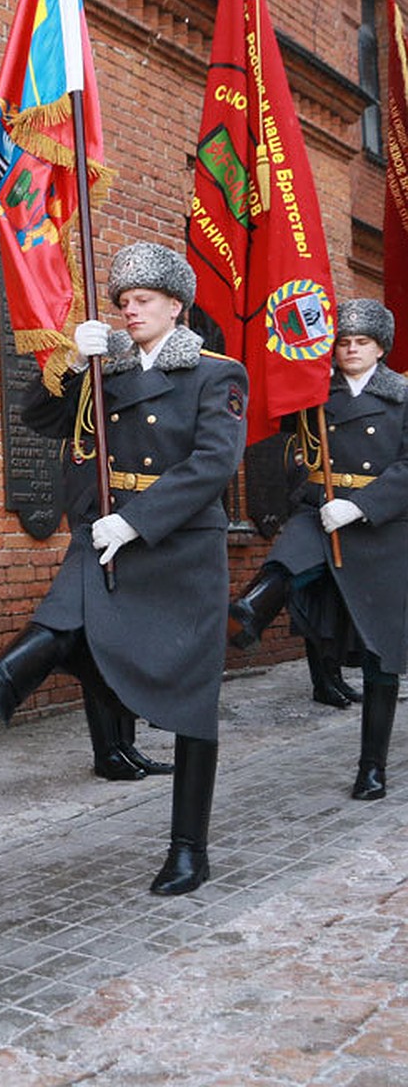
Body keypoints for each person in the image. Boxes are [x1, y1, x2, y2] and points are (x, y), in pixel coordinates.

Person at [0, 242, 247, 895]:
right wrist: (72, 360)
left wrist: (137, 520)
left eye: (143, 301)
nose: (130, 311)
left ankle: (189, 848)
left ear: (176, 308)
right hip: (104, 534)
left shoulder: (217, 374)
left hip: (177, 547)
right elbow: (38, 417)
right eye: (124, 302)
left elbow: (213, 463)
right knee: (66, 615)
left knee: (190, 704)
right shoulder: (109, 368)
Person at [228, 298, 407, 800]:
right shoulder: (313, 391)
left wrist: (362, 507)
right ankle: (247, 613)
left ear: (380, 349)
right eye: (344, 342)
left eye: (362, 342)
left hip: (381, 526)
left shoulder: (404, 396)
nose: (350, 350)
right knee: (292, 553)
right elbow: (276, 426)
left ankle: (372, 766)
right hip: (320, 506)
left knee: (380, 654)